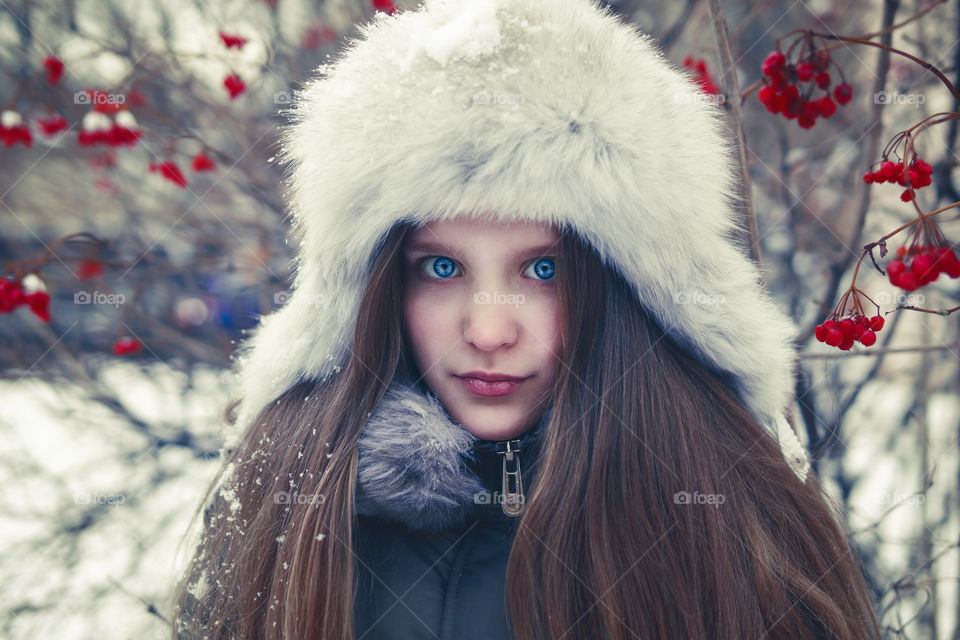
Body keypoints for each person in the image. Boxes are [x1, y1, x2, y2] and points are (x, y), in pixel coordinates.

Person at [172, 0, 884, 637]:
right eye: (441, 268)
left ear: (631, 286)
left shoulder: (732, 516)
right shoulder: (287, 497)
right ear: (373, 286)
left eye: (542, 270)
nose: (488, 331)